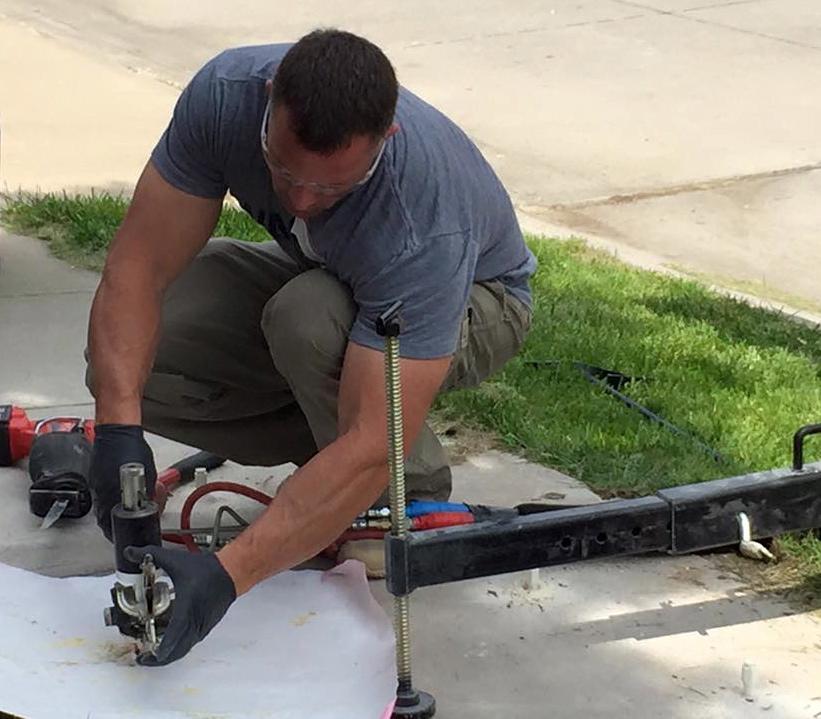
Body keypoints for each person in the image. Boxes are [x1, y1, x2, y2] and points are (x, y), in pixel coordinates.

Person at [85, 28, 536, 666]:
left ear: (388, 140)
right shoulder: (223, 97)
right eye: (283, 170)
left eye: (330, 191)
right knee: (145, 348)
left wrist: (224, 578)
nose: (300, 200)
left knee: (309, 324)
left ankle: (409, 491)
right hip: (336, 278)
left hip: (480, 302)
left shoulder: (423, 215)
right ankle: (331, 474)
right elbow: (137, 269)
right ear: (268, 101)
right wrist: (117, 435)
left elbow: (375, 444)